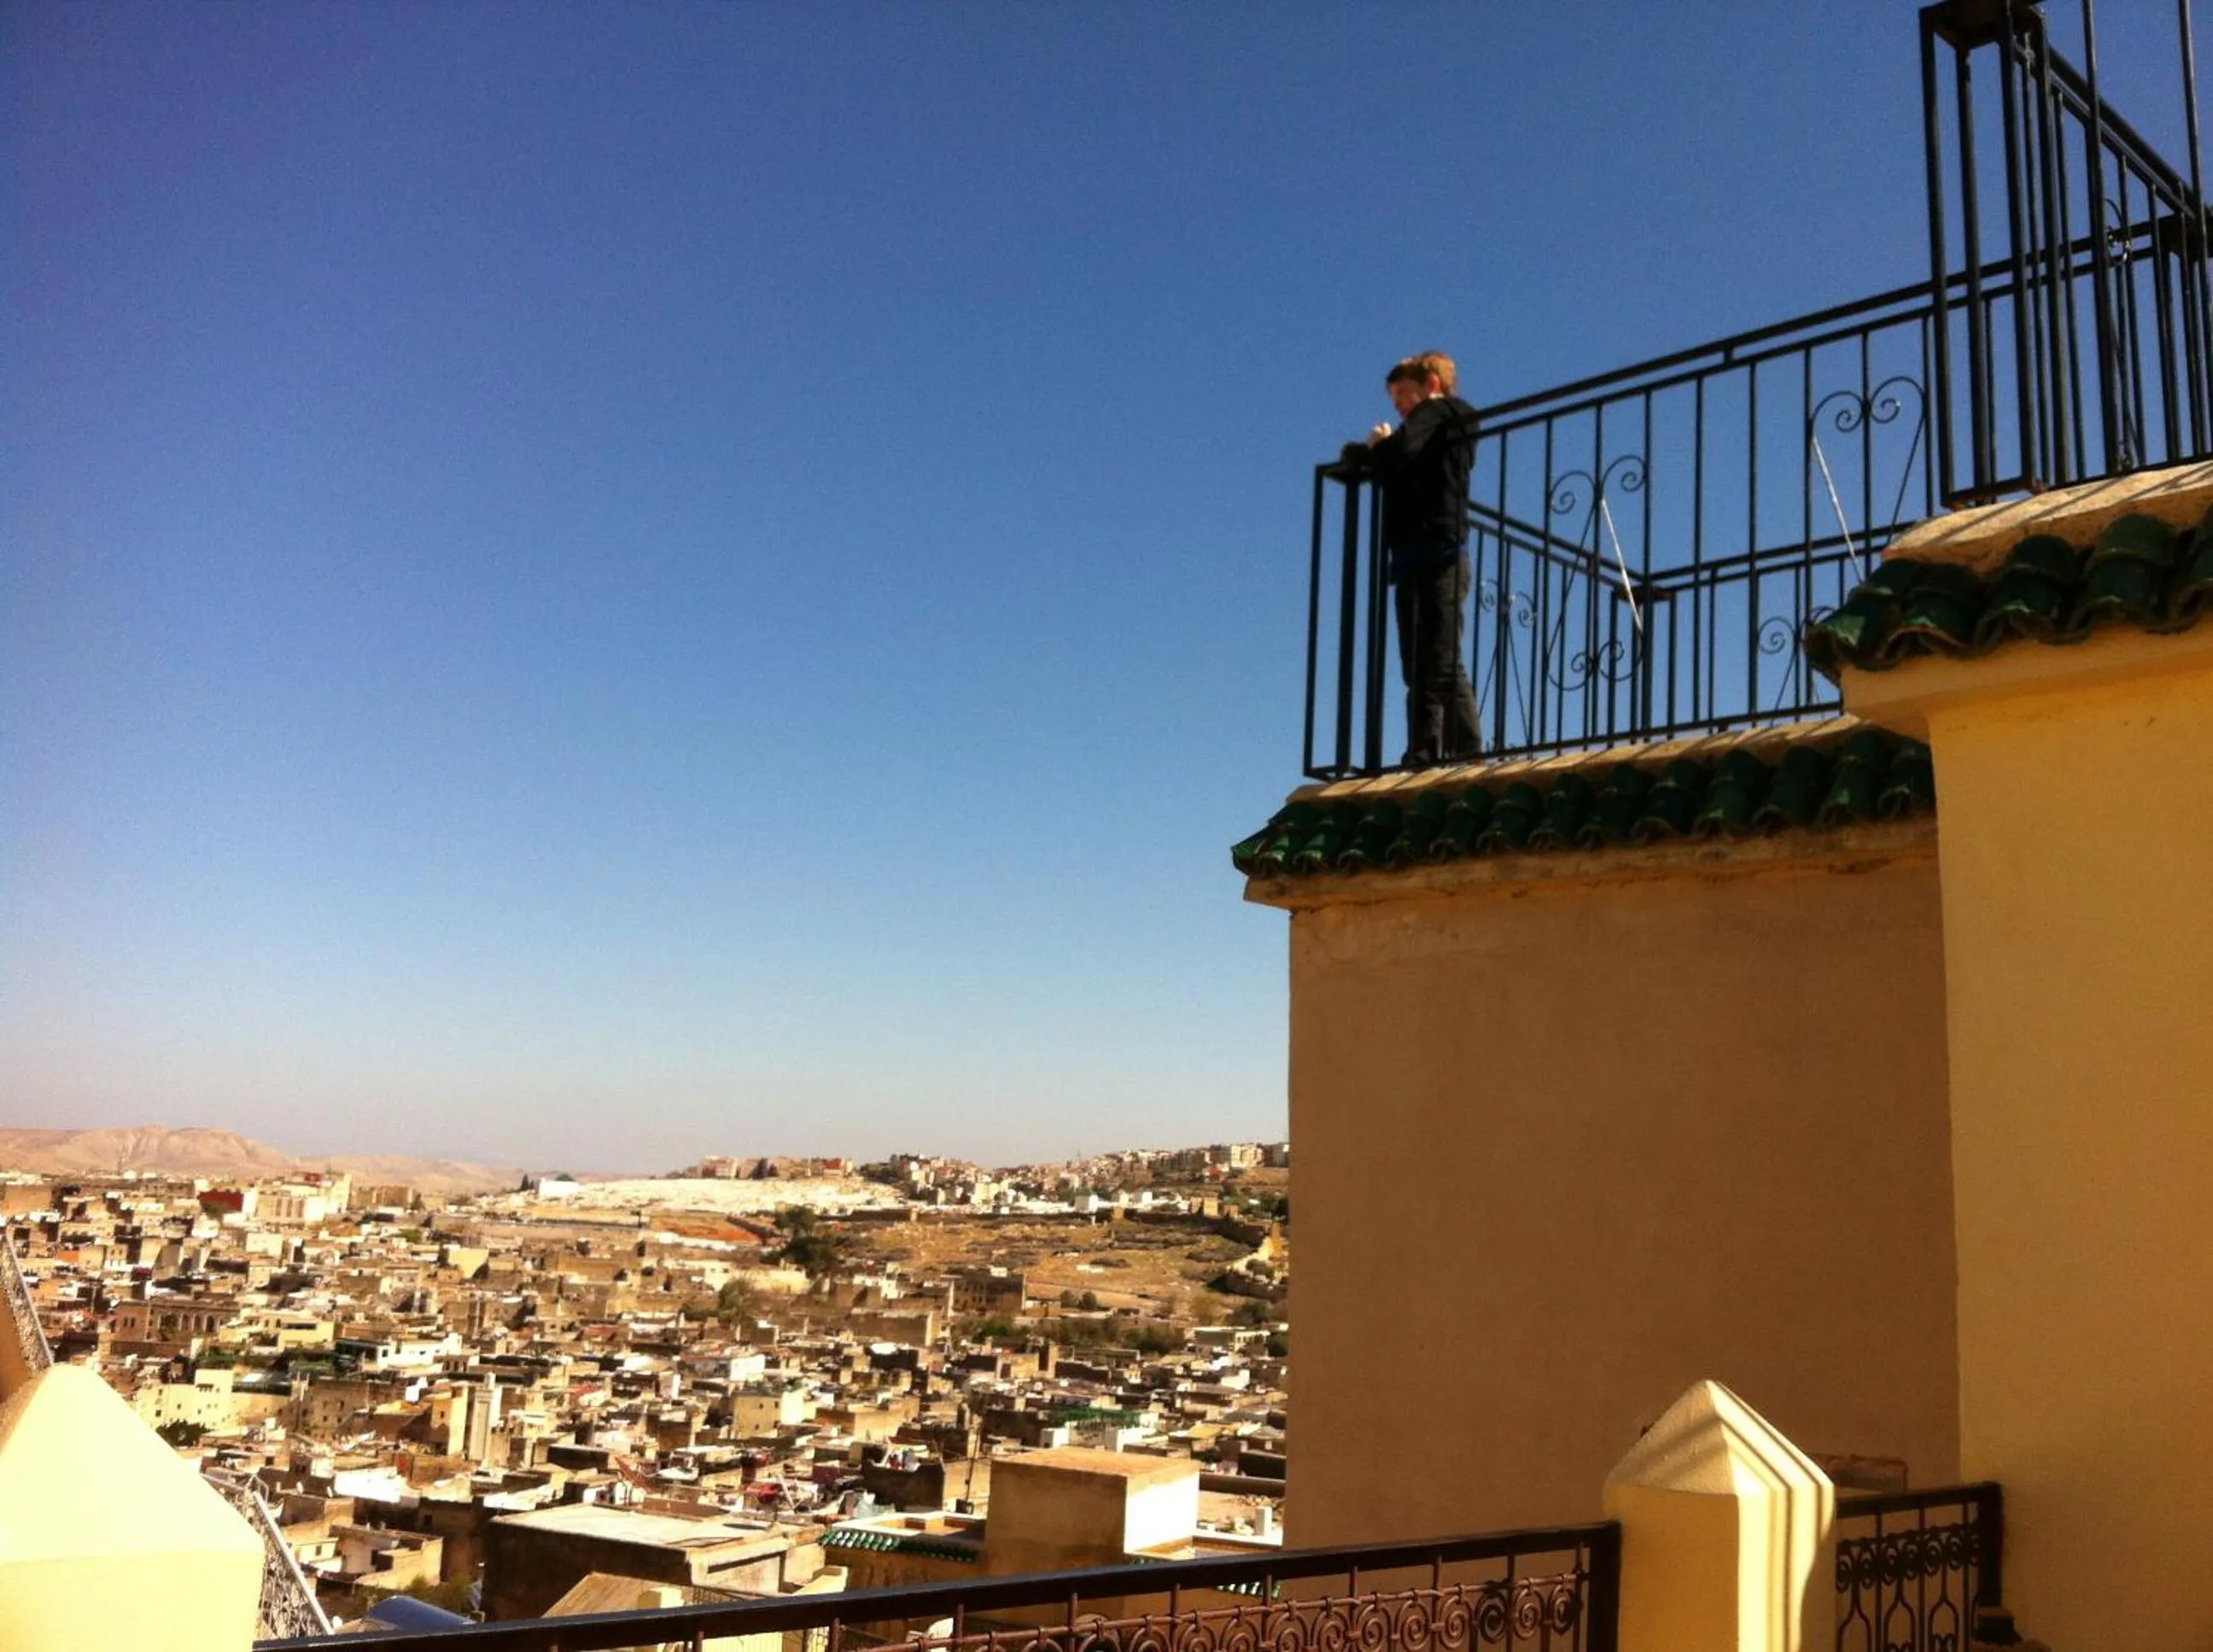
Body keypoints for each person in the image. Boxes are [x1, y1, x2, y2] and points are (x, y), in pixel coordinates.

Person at [1342, 352, 1482, 766]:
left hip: (1438, 551)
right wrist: (1371, 452)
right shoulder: (1429, 428)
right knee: (1420, 664)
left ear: (1431, 384)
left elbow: (1398, 451)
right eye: (1395, 398)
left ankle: (1465, 750)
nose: (1400, 405)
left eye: (1404, 394)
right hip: (1417, 553)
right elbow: (1394, 459)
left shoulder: (1440, 411)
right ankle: (1424, 751)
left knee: (1439, 659)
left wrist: (1373, 448)